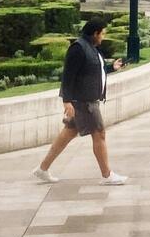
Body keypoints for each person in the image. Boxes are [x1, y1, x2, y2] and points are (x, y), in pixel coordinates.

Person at [32, 17, 126, 185]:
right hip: (83, 102)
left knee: (68, 133)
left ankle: (42, 169)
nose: (103, 37)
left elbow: (93, 70)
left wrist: (112, 67)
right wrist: (67, 101)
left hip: (85, 100)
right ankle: (107, 175)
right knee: (99, 133)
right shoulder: (78, 48)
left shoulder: (91, 48)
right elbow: (68, 76)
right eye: (102, 33)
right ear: (95, 33)